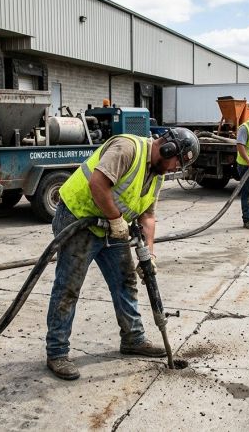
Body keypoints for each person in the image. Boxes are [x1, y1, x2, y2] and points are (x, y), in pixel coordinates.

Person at [45, 128, 201, 380]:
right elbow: (98, 183)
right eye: (176, 163)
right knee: (69, 287)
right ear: (167, 148)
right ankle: (57, 353)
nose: (174, 169)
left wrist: (148, 255)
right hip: (78, 218)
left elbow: (148, 216)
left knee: (125, 280)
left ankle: (133, 339)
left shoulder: (157, 174)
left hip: (110, 225)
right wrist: (117, 219)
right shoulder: (127, 148)